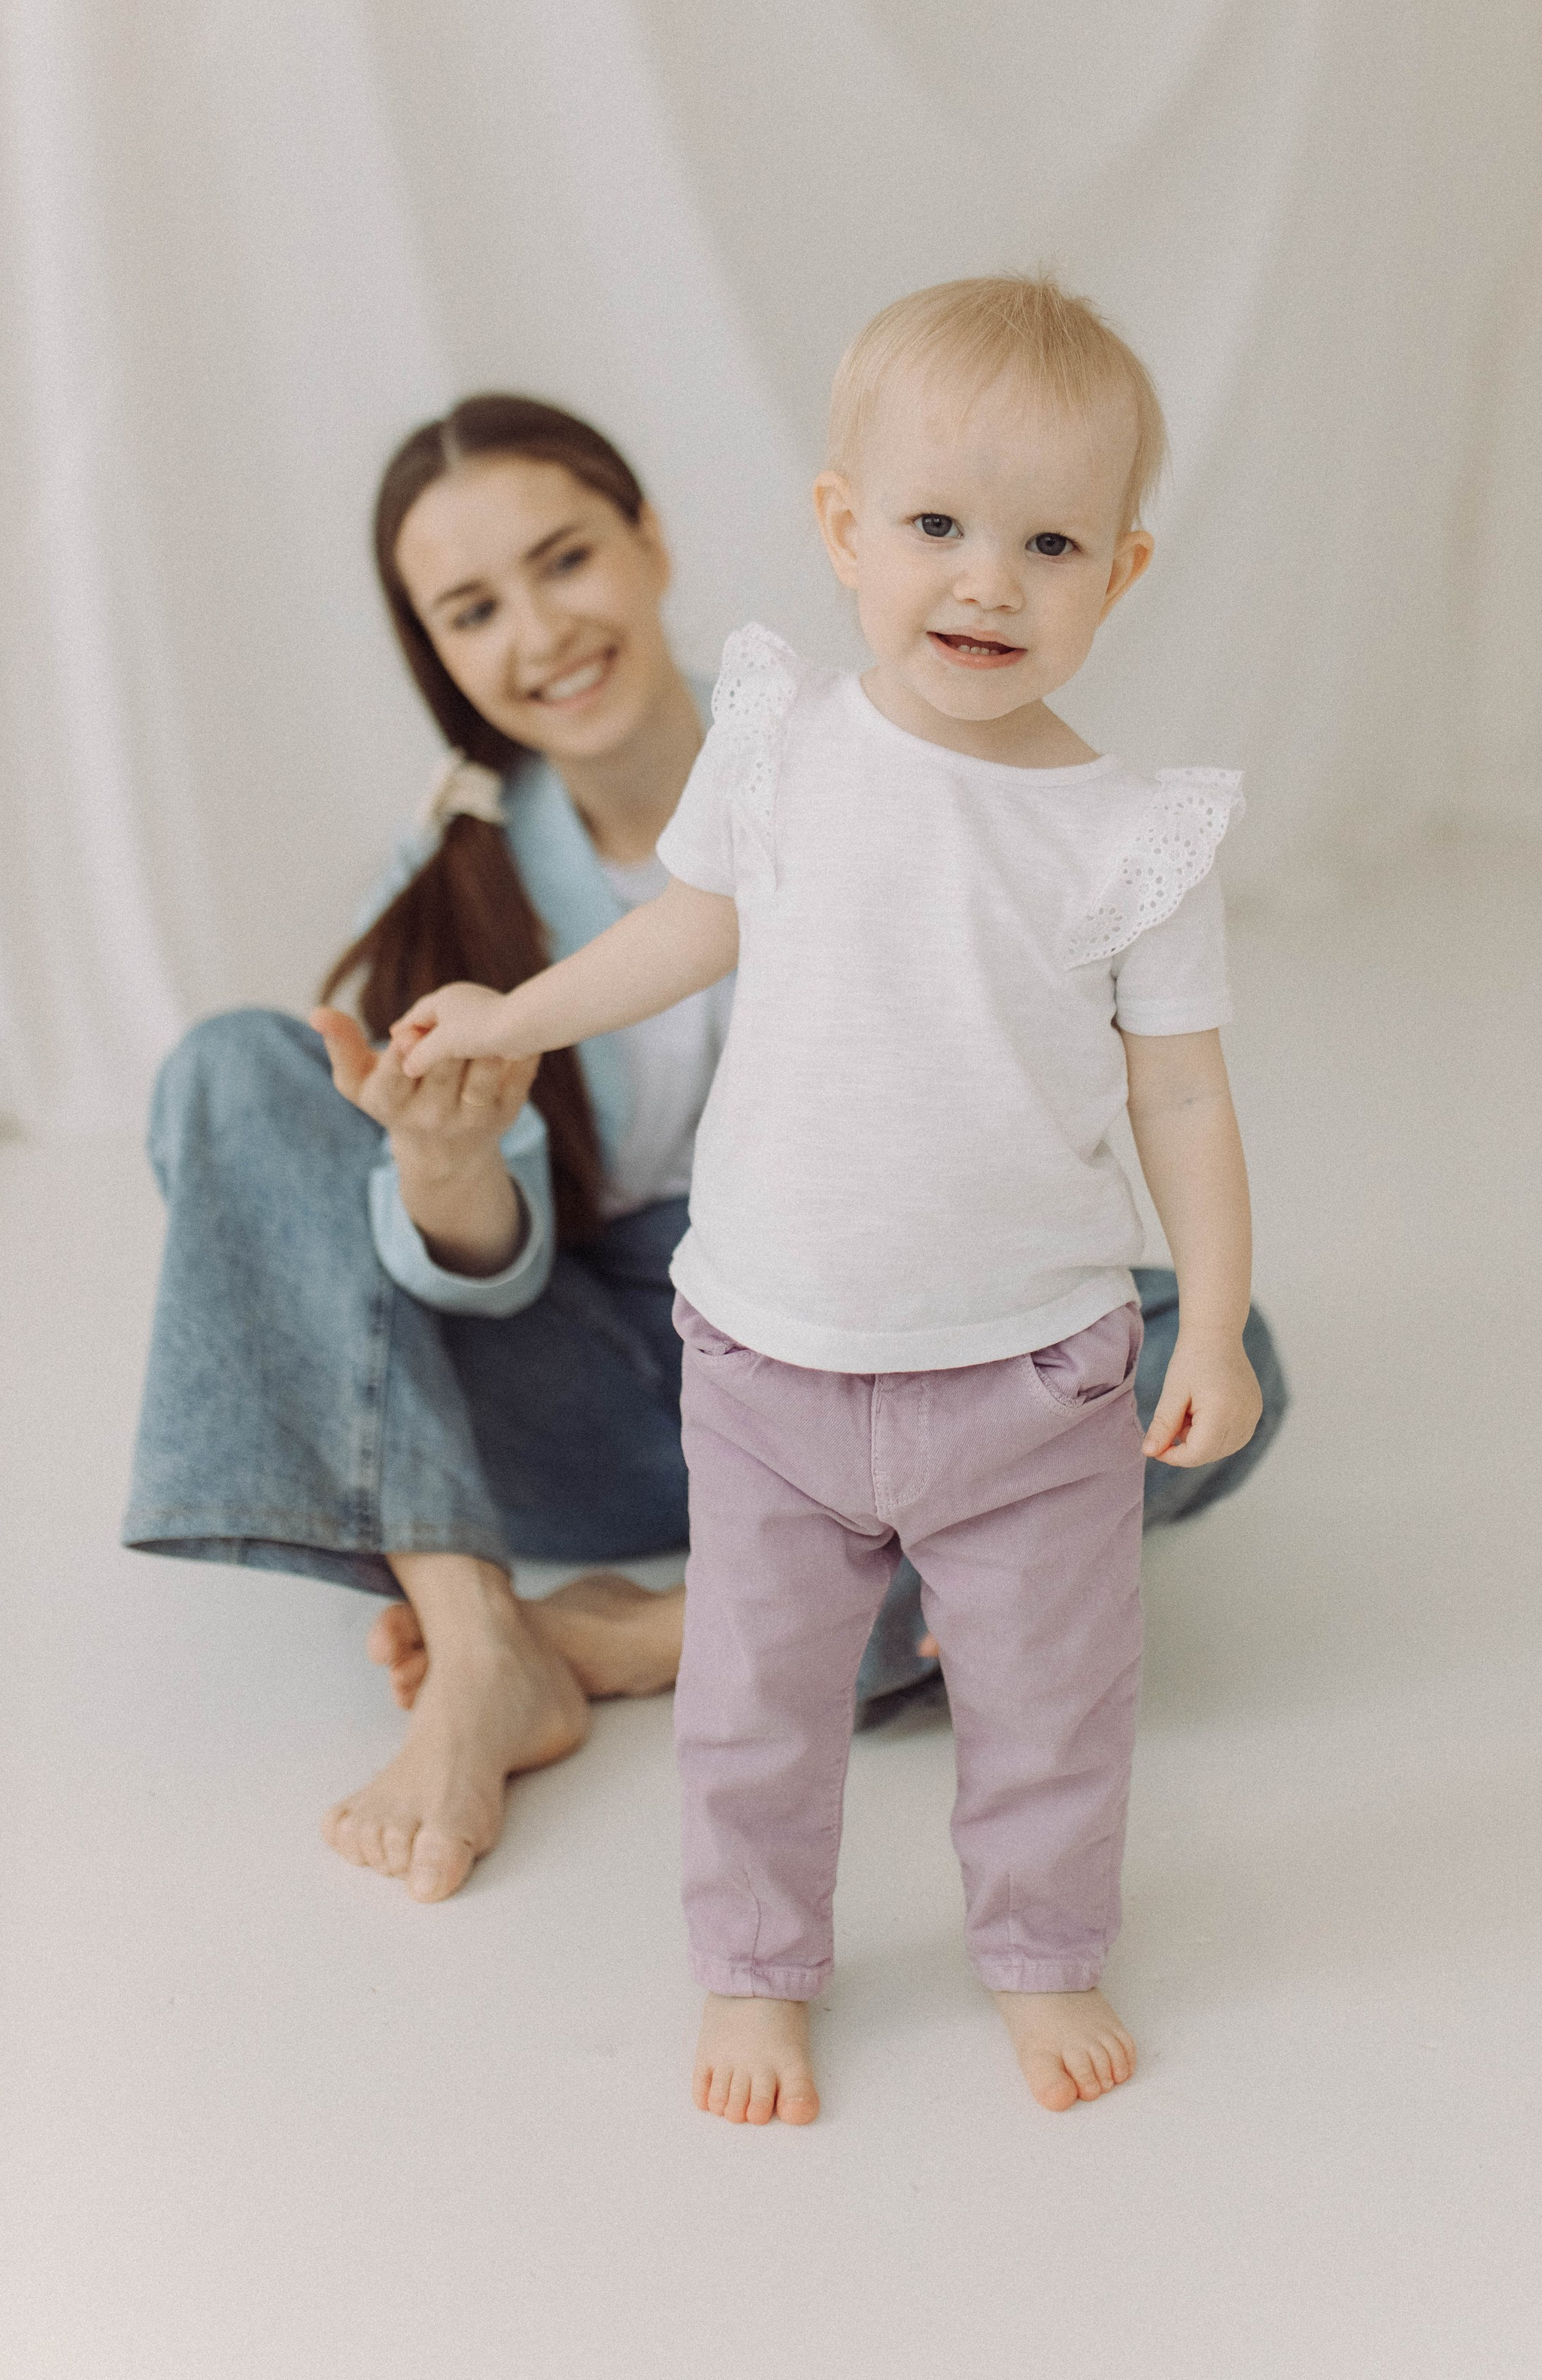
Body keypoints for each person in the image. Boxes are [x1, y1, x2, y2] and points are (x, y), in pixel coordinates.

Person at [123, 391, 1287, 1916]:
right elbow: (467, 1285)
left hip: (887, 1347)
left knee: (1194, 1351)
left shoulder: (834, 743)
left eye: (565, 560)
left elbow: (1119, 1079)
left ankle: (655, 1635)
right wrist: (445, 1164)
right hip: (617, 1384)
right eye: (474, 610)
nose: (541, 630)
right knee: (233, 1069)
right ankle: (481, 1650)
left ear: (649, 540)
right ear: (436, 652)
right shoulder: (449, 888)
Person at [393, 280, 1269, 2126]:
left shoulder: (1130, 833)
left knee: (1050, 1708)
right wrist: (516, 1012)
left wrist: (1209, 1302)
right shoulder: (786, 742)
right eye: (937, 529)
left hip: (1031, 1375)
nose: (983, 583)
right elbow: (686, 928)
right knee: (754, 1707)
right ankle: (755, 1967)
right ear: (842, 530)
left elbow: (1179, 1088)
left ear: (1119, 574)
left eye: (1045, 545)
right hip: (771, 1358)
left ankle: (1042, 1953)